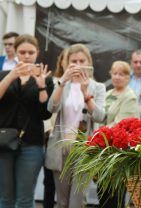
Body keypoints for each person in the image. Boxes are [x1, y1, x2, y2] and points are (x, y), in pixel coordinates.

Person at [45, 43, 106, 208]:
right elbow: (51, 108)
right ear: (66, 63)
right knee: (62, 201)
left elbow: (100, 116)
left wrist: (86, 94)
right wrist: (62, 82)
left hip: (84, 148)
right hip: (61, 147)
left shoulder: (97, 87)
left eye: (82, 60)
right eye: (74, 61)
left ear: (89, 62)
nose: (78, 65)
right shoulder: (61, 84)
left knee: (77, 202)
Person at [0, 34, 54, 207]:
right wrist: (11, 76)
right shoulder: (4, 75)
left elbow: (45, 113)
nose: (27, 55)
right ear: (15, 53)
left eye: (31, 52)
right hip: (4, 142)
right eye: (22, 52)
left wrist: (41, 86)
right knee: (5, 196)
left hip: (32, 142)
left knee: (25, 198)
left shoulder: (45, 77)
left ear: (37, 53)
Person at [97, 60, 139, 208]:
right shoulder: (108, 94)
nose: (117, 77)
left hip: (118, 152)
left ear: (128, 77)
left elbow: (121, 124)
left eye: (121, 74)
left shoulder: (130, 97)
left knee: (114, 196)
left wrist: (99, 133)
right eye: (114, 73)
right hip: (103, 149)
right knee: (102, 193)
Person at [43, 48, 69, 208]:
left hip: (70, 142)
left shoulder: (85, 85)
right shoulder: (53, 82)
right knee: (49, 182)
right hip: (51, 137)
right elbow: (46, 108)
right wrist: (48, 129)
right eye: (67, 60)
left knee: (65, 190)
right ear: (61, 61)